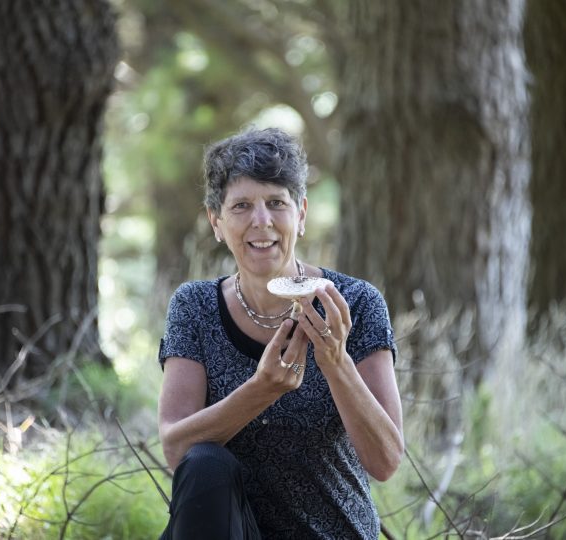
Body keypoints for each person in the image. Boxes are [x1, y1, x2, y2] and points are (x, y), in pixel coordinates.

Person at [157, 127, 404, 539]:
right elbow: (176, 450)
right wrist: (262, 389)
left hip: (332, 532)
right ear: (215, 222)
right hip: (231, 532)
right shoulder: (195, 306)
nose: (261, 221)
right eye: (241, 206)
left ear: (301, 214)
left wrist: (335, 361)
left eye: (276, 203)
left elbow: (385, 462)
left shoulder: (356, 302)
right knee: (204, 462)